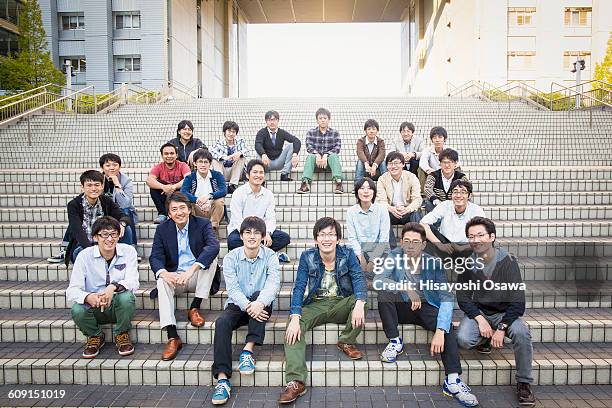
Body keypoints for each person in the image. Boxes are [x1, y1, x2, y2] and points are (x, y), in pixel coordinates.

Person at [374, 223, 479, 407]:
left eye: (415, 242)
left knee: (447, 326)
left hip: (425, 305)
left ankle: (452, 381)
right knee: (384, 294)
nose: (410, 246)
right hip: (402, 306)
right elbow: (378, 280)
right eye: (406, 241)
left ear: (423, 244)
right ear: (401, 242)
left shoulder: (434, 263)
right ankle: (395, 341)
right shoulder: (394, 256)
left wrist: (439, 330)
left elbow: (446, 297)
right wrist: (404, 287)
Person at [278, 217, 367, 404]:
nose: (327, 239)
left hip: (341, 302)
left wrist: (359, 302)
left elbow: (359, 278)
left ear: (338, 238)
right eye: (322, 234)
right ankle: (296, 381)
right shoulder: (307, 256)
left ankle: (346, 341)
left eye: (331, 235)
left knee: (358, 301)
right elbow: (299, 287)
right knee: (293, 325)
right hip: (316, 304)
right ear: (316, 238)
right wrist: (295, 316)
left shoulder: (348, 254)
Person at [456, 217, 535, 406]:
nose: (475, 240)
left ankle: (524, 383)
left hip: (504, 313)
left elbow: (518, 301)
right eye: (471, 236)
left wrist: (501, 327)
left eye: (480, 235)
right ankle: (485, 339)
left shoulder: (508, 261)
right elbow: (463, 297)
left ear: (492, 237)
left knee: (521, 333)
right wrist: (479, 319)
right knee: (463, 339)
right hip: (480, 312)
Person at [210, 216, 281, 405]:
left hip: (261, 303)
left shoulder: (270, 256)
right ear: (241, 236)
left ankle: (247, 352)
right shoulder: (231, 257)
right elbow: (232, 289)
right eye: (248, 232)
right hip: (238, 304)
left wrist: (258, 303)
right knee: (222, 322)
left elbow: (273, 285)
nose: (252, 236)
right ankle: (223, 379)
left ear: (263, 237)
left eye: (257, 233)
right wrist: (250, 306)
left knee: (261, 295)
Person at [149, 192, 220, 361]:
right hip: (176, 278)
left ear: (189, 209)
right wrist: (165, 273)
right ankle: (173, 337)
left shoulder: (202, 224)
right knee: (161, 279)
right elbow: (155, 257)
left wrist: (191, 270)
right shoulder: (162, 229)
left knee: (212, 258)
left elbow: (212, 246)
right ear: (169, 213)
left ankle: (194, 307)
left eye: (182, 208)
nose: (179, 212)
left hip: (196, 276)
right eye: (174, 209)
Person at [67, 216, 139, 359]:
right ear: (95, 237)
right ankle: (95, 336)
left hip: (117, 305)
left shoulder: (129, 251)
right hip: (95, 306)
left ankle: (121, 333)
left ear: (119, 236)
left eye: (114, 234)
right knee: (77, 309)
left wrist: (113, 287)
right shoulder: (84, 256)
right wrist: (89, 297)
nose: (110, 239)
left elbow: (133, 281)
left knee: (127, 298)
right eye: (104, 234)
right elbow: (72, 290)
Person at [47, 168, 134, 264]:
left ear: (102, 186)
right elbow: (77, 231)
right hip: (84, 246)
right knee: (80, 253)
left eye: (97, 185)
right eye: (89, 185)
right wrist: (93, 250)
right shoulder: (74, 205)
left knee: (126, 229)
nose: (93, 189)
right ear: (82, 187)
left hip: (105, 245)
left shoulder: (105, 201)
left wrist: (122, 224)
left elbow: (124, 216)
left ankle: (125, 258)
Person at [227, 159, 291, 261]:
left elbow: (271, 217)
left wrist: (267, 233)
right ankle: (269, 255)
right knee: (232, 241)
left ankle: (253, 253)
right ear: (247, 175)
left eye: (261, 172)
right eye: (255, 172)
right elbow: (237, 219)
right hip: (242, 230)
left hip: (261, 231)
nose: (258, 175)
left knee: (284, 238)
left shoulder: (268, 194)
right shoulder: (238, 193)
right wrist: (249, 234)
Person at [346, 177, 390, 280]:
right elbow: (352, 238)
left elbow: (384, 239)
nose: (366, 191)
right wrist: (360, 257)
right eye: (362, 188)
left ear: (374, 192)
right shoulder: (351, 212)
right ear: (357, 192)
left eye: (369, 188)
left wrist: (373, 260)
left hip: (380, 251)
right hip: (360, 251)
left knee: (380, 271)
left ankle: (369, 280)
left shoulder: (382, 210)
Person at [376, 152, 423, 246]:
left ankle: (416, 245)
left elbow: (417, 199)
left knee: (416, 214)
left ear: (403, 164)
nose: (393, 166)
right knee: (381, 215)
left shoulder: (412, 177)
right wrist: (391, 209)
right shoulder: (382, 179)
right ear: (387, 166)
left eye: (396, 163)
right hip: (391, 211)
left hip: (407, 211)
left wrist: (407, 209)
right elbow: (380, 200)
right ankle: (391, 248)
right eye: (390, 163)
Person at [420, 180, 485, 245]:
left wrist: (464, 248)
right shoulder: (444, 205)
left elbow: (483, 232)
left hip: (467, 245)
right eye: (455, 192)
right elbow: (423, 223)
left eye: (463, 192)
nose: (458, 195)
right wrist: (439, 244)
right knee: (425, 229)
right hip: (445, 243)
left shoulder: (476, 210)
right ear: (451, 194)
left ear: (469, 195)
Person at [298, 108, 344, 194]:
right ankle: (305, 184)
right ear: (317, 120)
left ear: (329, 119)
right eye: (320, 118)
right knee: (311, 156)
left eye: (325, 118)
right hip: (316, 162)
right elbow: (309, 147)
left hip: (329, 163)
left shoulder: (335, 133)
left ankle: (338, 183)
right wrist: (317, 155)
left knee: (334, 156)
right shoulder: (311, 132)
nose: (323, 120)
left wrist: (326, 155)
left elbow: (337, 148)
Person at [180, 149, 227, 233]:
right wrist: (197, 200)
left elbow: (224, 190)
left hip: (212, 208)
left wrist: (209, 197)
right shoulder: (190, 177)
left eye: (206, 162)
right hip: (197, 208)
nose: (203, 165)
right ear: (195, 163)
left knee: (220, 201)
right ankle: (194, 228)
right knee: (187, 202)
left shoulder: (217, 175)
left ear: (210, 163)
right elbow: (183, 192)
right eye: (200, 162)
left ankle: (213, 229)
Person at [99, 153, 139, 252]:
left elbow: (126, 204)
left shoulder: (126, 181)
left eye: (115, 165)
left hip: (120, 211)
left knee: (126, 211)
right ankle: (65, 248)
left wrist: (117, 185)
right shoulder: (98, 179)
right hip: (102, 211)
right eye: (108, 165)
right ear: (102, 167)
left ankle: (132, 247)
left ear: (119, 167)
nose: (111, 168)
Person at [147, 143, 191, 224]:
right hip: (165, 193)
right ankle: (163, 214)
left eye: (172, 153)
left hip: (179, 193)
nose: (169, 156)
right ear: (162, 156)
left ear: (176, 155)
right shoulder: (159, 167)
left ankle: (182, 212)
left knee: (186, 186)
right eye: (166, 154)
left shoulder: (182, 165)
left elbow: (188, 178)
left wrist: (173, 187)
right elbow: (149, 180)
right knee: (154, 186)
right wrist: (163, 187)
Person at [254, 110, 301, 181]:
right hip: (266, 162)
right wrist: (263, 154)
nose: (272, 122)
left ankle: (284, 174)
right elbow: (257, 144)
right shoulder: (262, 132)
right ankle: (260, 178)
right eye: (269, 120)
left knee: (292, 145)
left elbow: (296, 141)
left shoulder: (281, 132)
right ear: (266, 121)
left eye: (274, 120)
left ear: (278, 121)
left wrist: (295, 154)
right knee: (258, 152)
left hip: (279, 161)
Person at [210, 120, 251, 194]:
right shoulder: (219, 142)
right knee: (214, 160)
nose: (231, 134)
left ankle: (232, 185)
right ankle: (221, 184)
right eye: (229, 131)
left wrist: (239, 153)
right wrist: (223, 157)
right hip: (222, 172)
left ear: (236, 133)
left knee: (242, 157)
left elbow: (247, 151)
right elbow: (211, 152)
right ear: (224, 132)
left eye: (233, 132)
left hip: (236, 173)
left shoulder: (240, 141)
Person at [423, 149, 468, 213]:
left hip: (455, 205)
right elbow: (427, 189)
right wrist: (435, 200)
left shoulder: (461, 177)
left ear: (455, 163)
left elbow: (469, 192)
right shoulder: (433, 175)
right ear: (440, 163)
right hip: (437, 205)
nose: (447, 165)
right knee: (428, 203)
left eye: (450, 162)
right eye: (444, 162)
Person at [355, 119, 387, 184]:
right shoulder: (361, 141)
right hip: (365, 169)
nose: (371, 131)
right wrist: (366, 163)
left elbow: (382, 154)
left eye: (373, 129)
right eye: (369, 129)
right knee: (360, 161)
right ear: (365, 131)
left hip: (376, 170)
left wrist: (375, 165)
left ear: (377, 131)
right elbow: (360, 152)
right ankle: (357, 185)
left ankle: (386, 183)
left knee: (383, 162)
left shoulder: (380, 141)